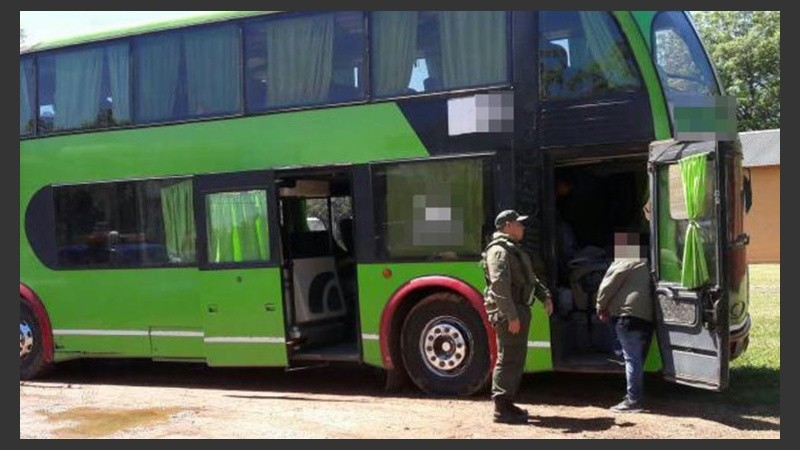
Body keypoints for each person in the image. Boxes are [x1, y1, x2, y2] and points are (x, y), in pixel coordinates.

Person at [481, 209, 554, 424]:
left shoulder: (513, 249)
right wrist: (511, 316)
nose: (522, 227)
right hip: (509, 312)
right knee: (509, 357)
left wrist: (545, 296)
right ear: (507, 226)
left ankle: (507, 404)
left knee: (515, 357)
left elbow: (529, 279)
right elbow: (499, 286)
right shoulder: (499, 252)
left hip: (518, 309)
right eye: (518, 224)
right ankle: (502, 409)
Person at [596, 231, 654, 413]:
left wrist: (600, 307)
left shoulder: (625, 261)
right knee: (636, 359)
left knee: (630, 359)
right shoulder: (649, 262)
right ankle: (634, 394)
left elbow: (607, 286)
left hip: (627, 317)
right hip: (646, 318)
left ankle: (633, 401)